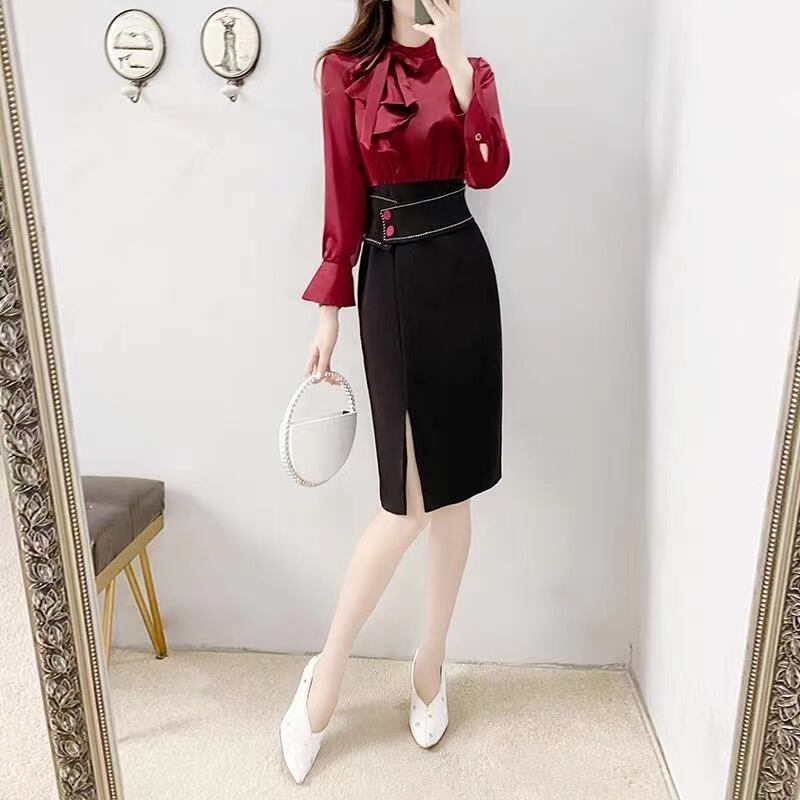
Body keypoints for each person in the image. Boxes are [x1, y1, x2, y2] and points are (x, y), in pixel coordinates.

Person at [280, 0, 510, 783]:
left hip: (462, 278)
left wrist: (457, 67)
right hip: (391, 282)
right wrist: (329, 313)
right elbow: (342, 194)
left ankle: (430, 664)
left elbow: (487, 169)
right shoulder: (343, 73)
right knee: (406, 503)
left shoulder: (472, 71)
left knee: (454, 496)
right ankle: (327, 674)